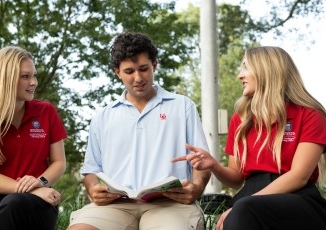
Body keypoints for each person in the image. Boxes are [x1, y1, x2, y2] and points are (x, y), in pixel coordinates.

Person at [67, 31, 210, 230]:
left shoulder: (182, 106)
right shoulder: (102, 116)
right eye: (129, 71)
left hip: (170, 204)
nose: (138, 78)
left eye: (144, 69)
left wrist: (197, 188)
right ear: (117, 72)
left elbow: (201, 162)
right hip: (115, 206)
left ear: (154, 65)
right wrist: (93, 189)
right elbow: (91, 169)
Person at [172, 46, 326, 230]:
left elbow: (299, 176)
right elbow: (236, 178)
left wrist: (241, 205)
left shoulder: (310, 115)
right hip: (249, 195)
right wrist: (213, 165)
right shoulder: (240, 119)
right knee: (240, 210)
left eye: (246, 67)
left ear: (266, 71)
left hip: (298, 197)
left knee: (242, 209)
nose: (240, 75)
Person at [0, 46, 67, 230]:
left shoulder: (46, 112)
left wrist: (40, 183)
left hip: (35, 200)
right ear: (5, 80)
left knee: (14, 204)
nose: (34, 82)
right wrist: (34, 189)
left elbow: (59, 162)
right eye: (25, 76)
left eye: (34, 75)